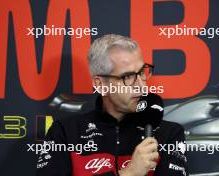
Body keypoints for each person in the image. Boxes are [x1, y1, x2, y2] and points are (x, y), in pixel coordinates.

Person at [36, 34, 188, 176]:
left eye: (142, 72)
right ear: (100, 84)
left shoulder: (169, 134)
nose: (141, 86)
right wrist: (129, 173)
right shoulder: (65, 132)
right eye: (127, 76)